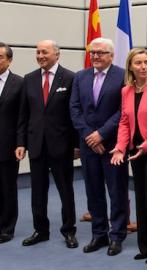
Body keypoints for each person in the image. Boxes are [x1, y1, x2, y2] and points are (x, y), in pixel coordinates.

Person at [15, 40, 78, 248]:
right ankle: (40, 230)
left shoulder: (70, 78)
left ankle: (69, 230)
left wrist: (76, 145)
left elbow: (74, 115)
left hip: (62, 145)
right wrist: (21, 142)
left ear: (57, 55)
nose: (40, 55)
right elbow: (23, 115)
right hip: (36, 145)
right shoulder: (29, 79)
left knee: (65, 190)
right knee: (37, 191)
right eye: (38, 52)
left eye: (45, 52)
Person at [70, 37, 129, 256]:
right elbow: (74, 109)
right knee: (93, 191)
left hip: (113, 145)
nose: (95, 56)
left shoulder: (123, 75)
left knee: (117, 191)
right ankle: (99, 234)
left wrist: (101, 134)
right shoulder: (80, 76)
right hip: (88, 145)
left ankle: (117, 236)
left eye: (101, 52)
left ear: (111, 56)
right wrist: (89, 136)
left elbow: (124, 111)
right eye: (93, 52)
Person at [110, 48, 147, 264]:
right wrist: (119, 147)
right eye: (139, 63)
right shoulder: (126, 91)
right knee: (141, 199)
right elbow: (125, 122)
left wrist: (146, 145)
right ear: (130, 67)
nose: (144, 66)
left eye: (146, 62)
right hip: (136, 151)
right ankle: (144, 246)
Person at [0, 42, 23, 244]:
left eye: (0, 57)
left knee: (7, 187)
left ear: (9, 60)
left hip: (7, 145)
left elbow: (22, 118)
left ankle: (7, 227)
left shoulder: (19, 83)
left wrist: (20, 143)